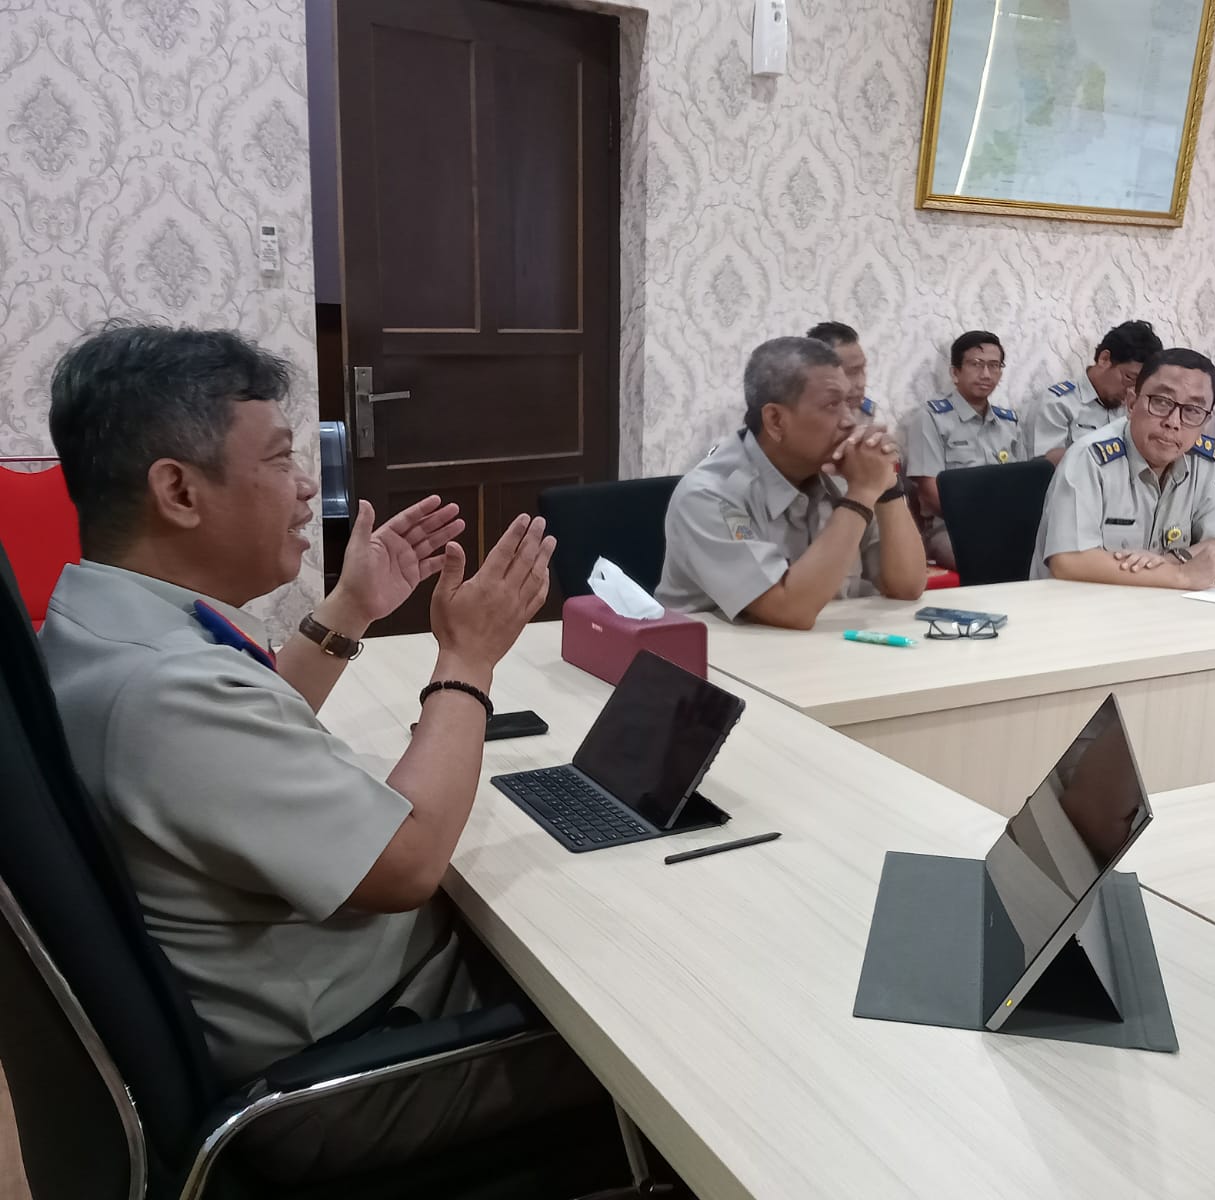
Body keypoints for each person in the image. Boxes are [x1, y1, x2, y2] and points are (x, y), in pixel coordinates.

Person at [38, 324, 609, 1183]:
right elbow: (410, 861)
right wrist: (466, 659)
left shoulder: (101, 625)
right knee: (653, 1023)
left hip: (337, 1014)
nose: (307, 489)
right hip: (359, 1068)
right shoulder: (161, 694)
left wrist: (350, 610)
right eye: (277, 461)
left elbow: (232, 749)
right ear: (179, 491)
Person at [656, 336, 925, 628]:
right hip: (718, 665)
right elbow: (790, 610)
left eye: (850, 403)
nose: (849, 421)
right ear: (775, 420)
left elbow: (906, 587)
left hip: (825, 656)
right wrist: (861, 495)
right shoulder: (708, 495)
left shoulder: (846, 473)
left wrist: (887, 485)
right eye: (832, 405)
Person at [1031, 347, 1215, 590]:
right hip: (1075, 610)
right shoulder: (1089, 457)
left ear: (1205, 420)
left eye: (1192, 411)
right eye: (1162, 402)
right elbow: (1069, 561)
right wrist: (1180, 575)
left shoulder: (1202, 460)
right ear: (1131, 404)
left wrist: (1165, 563)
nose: (1173, 422)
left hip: (1157, 609)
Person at [903, 330, 1026, 569]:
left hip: (1007, 525)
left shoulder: (1009, 422)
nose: (986, 374)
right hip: (950, 529)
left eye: (994, 366)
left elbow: (1024, 484)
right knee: (991, 560)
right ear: (955, 372)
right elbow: (929, 490)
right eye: (976, 365)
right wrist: (978, 523)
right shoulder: (930, 418)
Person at [1028, 319, 1163, 465]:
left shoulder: (1134, 408)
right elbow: (1046, 470)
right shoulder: (1057, 404)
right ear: (1104, 359)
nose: (1132, 391)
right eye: (1129, 378)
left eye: (1140, 384)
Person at [806, 320, 877, 423]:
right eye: (851, 373)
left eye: (863, 369)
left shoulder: (866, 417)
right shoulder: (798, 421)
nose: (862, 383)